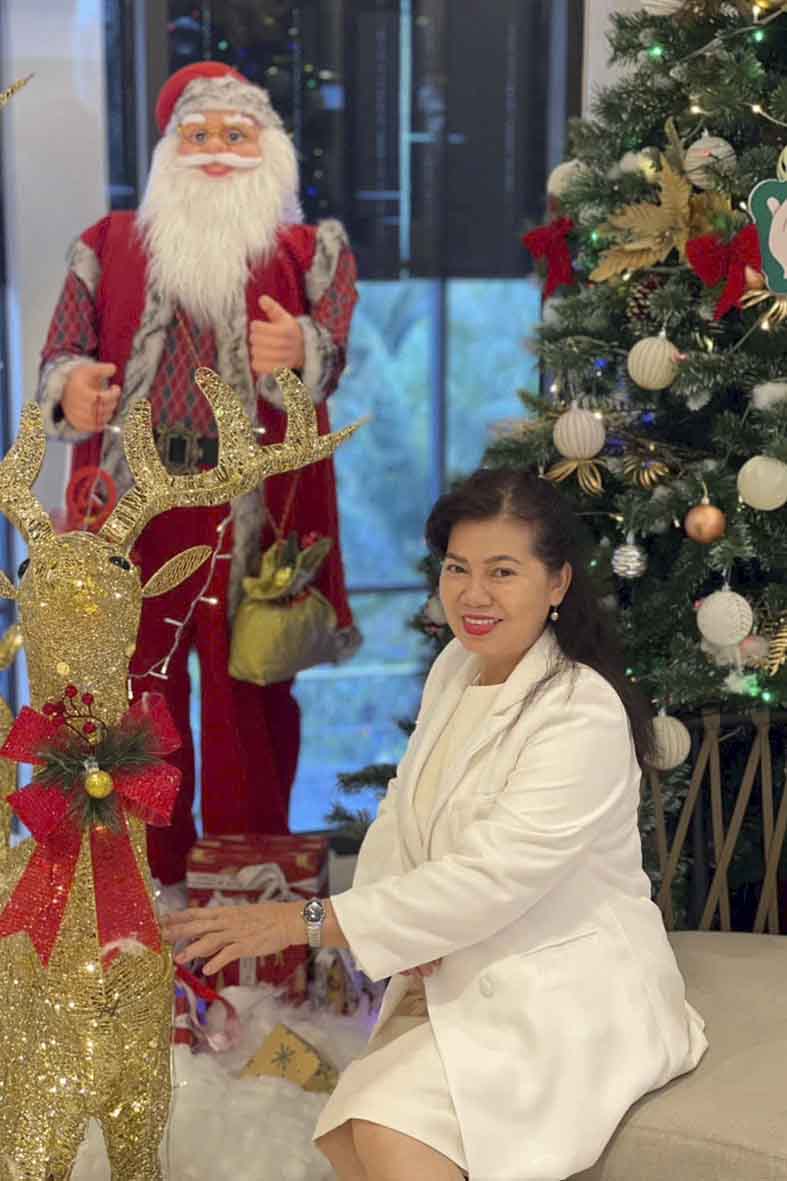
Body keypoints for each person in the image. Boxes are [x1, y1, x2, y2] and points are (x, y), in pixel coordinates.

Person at [164, 468, 707, 1181]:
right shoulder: (458, 665)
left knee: (386, 1130)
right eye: (457, 568)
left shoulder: (582, 712)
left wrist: (303, 921)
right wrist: (407, 935)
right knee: (347, 1136)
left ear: (556, 583)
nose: (473, 594)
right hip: (461, 960)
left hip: (564, 982)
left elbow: (492, 878)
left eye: (502, 572)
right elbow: (403, 809)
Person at [36, 61, 360, 885]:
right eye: (199, 134)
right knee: (133, 684)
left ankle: (249, 872)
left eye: (236, 135)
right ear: (168, 152)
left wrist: (303, 350)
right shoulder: (106, 245)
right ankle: (146, 874)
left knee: (248, 685)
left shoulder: (310, 251)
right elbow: (62, 351)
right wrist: (72, 388)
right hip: (134, 507)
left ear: (269, 148)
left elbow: (333, 347)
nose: (217, 150)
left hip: (249, 503)